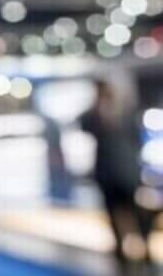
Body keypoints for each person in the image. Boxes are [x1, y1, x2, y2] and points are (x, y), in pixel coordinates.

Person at [80, 79, 152, 274]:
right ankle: (121, 252)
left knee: (137, 214)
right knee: (113, 215)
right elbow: (83, 125)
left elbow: (136, 141)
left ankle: (144, 250)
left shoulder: (126, 112)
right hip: (107, 175)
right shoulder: (93, 115)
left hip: (127, 174)